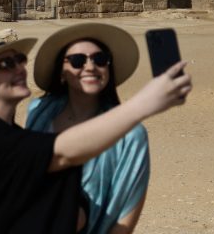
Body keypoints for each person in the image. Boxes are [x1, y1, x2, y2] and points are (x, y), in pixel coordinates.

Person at [0, 32, 192, 233]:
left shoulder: (9, 132)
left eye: (20, 59)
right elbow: (61, 153)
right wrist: (145, 103)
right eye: (6, 64)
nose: (20, 69)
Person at [26, 23, 149, 233]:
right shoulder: (39, 112)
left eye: (100, 59)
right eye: (77, 61)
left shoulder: (131, 135)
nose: (90, 67)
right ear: (62, 72)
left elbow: (125, 219)